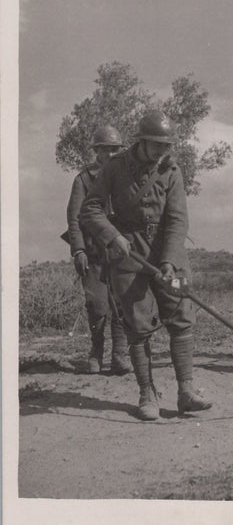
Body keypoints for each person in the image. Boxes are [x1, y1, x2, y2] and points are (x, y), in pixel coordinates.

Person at [80, 110, 211, 421]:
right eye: (157, 147)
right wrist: (112, 236)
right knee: (138, 326)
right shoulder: (114, 168)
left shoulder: (172, 171)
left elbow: (178, 219)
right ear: (142, 142)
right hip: (128, 256)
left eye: (167, 147)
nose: (162, 153)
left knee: (181, 314)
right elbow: (90, 210)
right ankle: (147, 393)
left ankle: (186, 391)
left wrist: (169, 261)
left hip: (169, 253)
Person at [66, 125, 132, 375]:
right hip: (93, 251)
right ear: (98, 151)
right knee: (96, 304)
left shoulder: (126, 176)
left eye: (116, 149)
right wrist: (78, 250)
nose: (112, 154)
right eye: (107, 150)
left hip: (121, 250)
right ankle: (96, 352)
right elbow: (74, 218)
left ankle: (119, 355)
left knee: (122, 302)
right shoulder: (83, 179)